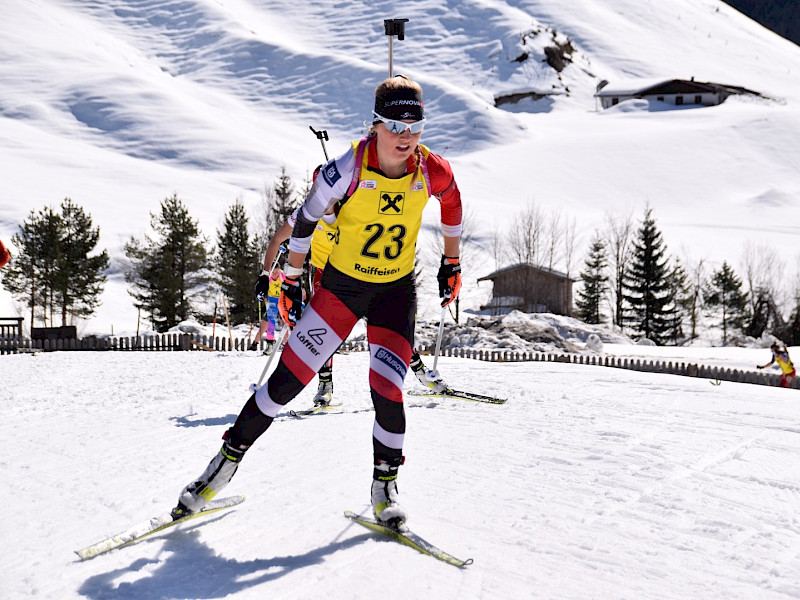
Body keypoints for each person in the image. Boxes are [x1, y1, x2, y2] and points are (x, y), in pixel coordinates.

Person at [172, 75, 463, 526]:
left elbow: (453, 202)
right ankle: (219, 470)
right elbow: (303, 220)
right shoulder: (347, 168)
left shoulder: (431, 169)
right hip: (342, 292)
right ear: (375, 126)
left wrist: (452, 262)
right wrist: (287, 277)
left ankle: (384, 487)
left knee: (388, 388)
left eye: (416, 125)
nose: (406, 136)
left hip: (393, 294)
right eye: (395, 125)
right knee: (284, 385)